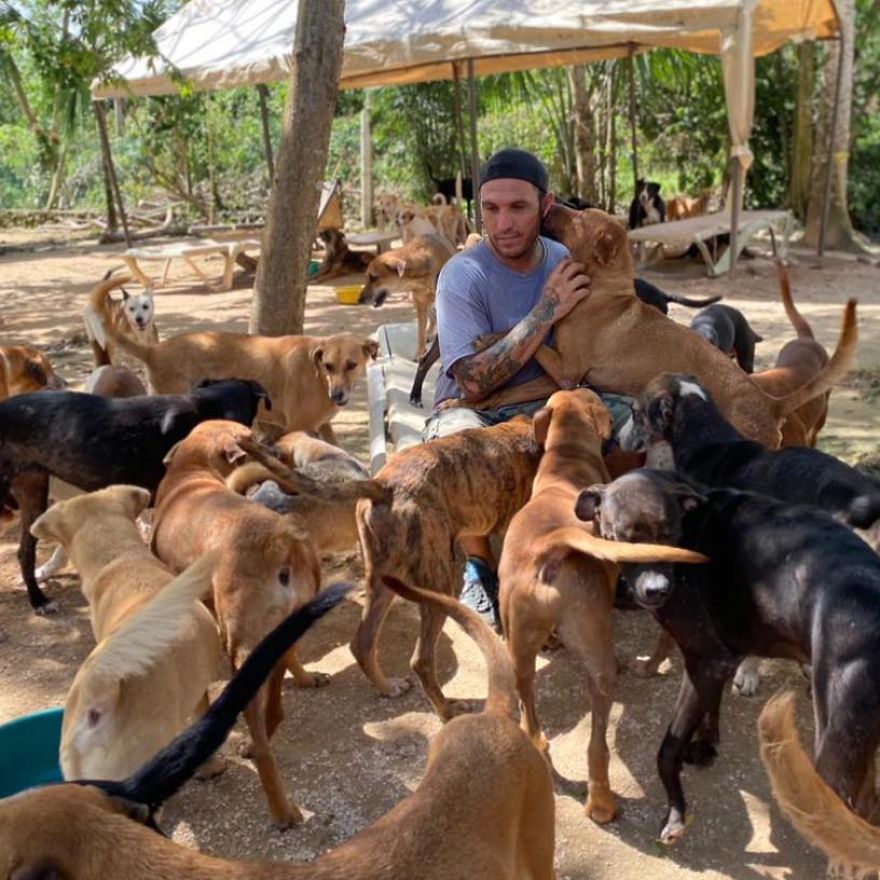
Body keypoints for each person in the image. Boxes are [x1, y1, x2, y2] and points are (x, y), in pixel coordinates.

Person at [422, 147, 593, 628]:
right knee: (456, 444)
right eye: (491, 210)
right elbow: (471, 381)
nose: (504, 224)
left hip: (542, 398)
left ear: (545, 206)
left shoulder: (561, 258)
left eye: (518, 207)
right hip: (471, 407)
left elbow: (576, 367)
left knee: (635, 418)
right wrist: (545, 310)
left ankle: (604, 541)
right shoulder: (464, 274)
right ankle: (478, 567)